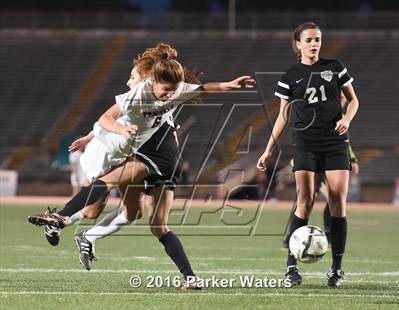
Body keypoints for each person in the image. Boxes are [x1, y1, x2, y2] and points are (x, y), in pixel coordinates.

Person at [28, 43, 255, 287]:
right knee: (106, 185)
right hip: (133, 152)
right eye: (165, 90)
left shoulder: (174, 89)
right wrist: (119, 130)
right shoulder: (136, 95)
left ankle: (190, 278)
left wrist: (229, 85)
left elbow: (204, 88)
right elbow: (106, 118)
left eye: (173, 90)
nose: (170, 95)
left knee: (157, 225)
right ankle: (60, 216)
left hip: (161, 160)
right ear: (152, 81)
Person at [257, 22, 359, 287]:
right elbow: (282, 116)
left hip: (335, 141)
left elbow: (355, 100)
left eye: (318, 39)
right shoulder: (290, 76)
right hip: (304, 142)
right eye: (310, 40)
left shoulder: (335, 67)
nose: (315, 44)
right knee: (306, 201)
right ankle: (291, 266)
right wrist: (268, 150)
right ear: (298, 44)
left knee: (338, 200)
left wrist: (347, 118)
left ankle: (336, 269)